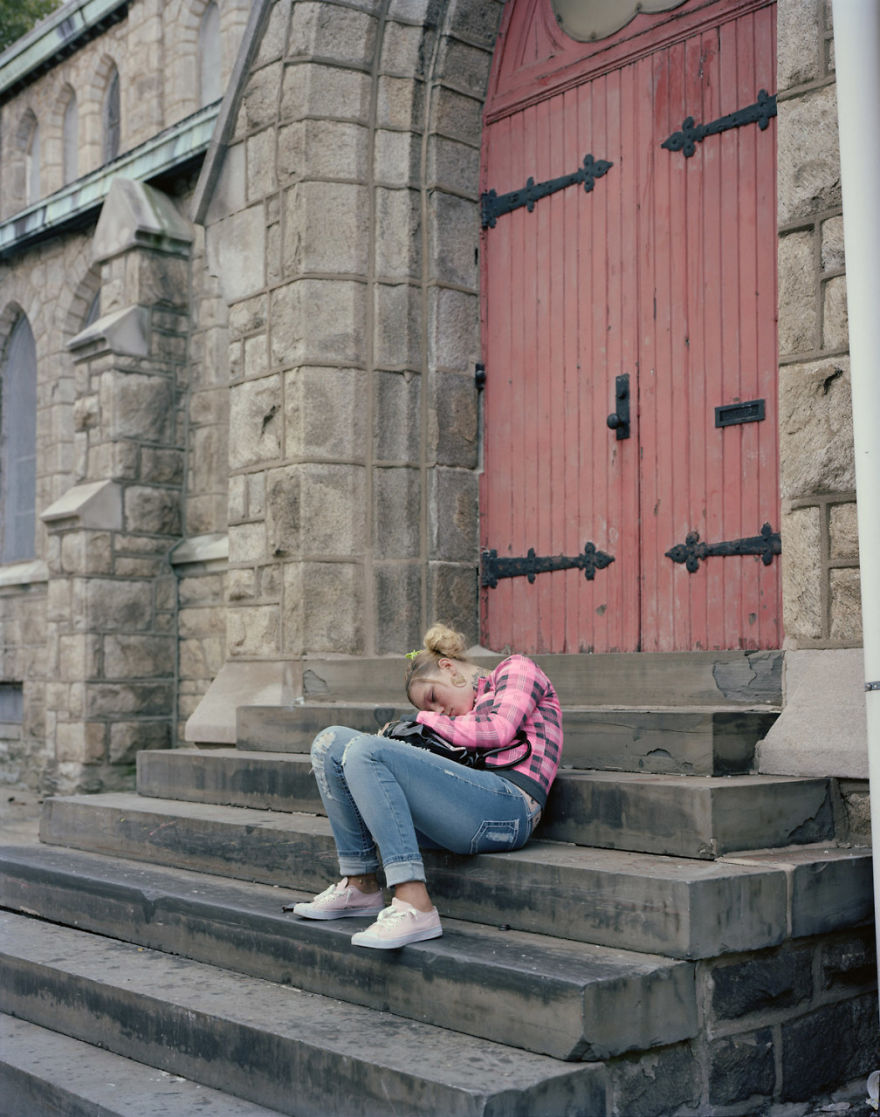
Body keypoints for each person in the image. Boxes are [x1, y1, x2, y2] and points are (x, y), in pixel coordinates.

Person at [287, 623, 563, 949]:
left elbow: (499, 729)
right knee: (330, 742)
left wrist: (421, 721)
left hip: (511, 807)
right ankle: (360, 883)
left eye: (433, 697)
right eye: (428, 708)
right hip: (465, 806)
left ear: (448, 667)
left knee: (366, 751)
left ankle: (414, 902)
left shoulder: (516, 669)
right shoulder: (459, 718)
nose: (437, 711)